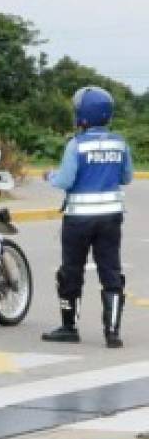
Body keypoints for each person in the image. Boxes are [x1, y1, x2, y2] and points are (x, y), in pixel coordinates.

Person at [41, 86, 134, 348]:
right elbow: (126, 177)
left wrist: (49, 176)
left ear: (82, 115)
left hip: (79, 219)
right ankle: (112, 332)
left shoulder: (76, 145)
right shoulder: (120, 143)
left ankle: (69, 327)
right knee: (111, 272)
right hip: (111, 218)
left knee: (71, 272)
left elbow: (66, 180)